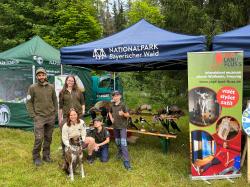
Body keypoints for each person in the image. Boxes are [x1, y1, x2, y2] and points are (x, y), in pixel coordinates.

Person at [26, 67, 58, 166]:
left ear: (46, 75)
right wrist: (33, 115)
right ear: (37, 76)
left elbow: (55, 100)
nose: (41, 77)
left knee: (48, 138)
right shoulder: (32, 87)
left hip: (50, 117)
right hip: (39, 117)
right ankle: (36, 157)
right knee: (39, 138)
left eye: (43, 75)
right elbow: (29, 102)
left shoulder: (51, 87)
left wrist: (55, 112)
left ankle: (46, 156)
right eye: (39, 75)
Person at [59, 75, 85, 156]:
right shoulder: (62, 92)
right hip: (67, 117)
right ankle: (65, 152)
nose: (70, 82)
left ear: (74, 82)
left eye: (72, 81)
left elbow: (83, 102)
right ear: (66, 81)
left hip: (78, 115)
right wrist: (60, 118)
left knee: (79, 134)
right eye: (69, 80)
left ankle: (79, 152)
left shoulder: (78, 91)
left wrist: (83, 111)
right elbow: (60, 106)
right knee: (65, 134)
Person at [109, 90, 132, 170]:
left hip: (122, 127)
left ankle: (127, 163)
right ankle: (119, 152)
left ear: (120, 96)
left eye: (117, 95)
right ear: (113, 97)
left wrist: (123, 114)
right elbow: (110, 112)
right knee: (117, 142)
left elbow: (128, 115)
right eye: (114, 96)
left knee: (123, 144)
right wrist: (111, 118)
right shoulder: (112, 105)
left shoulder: (123, 105)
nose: (115, 97)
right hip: (115, 126)